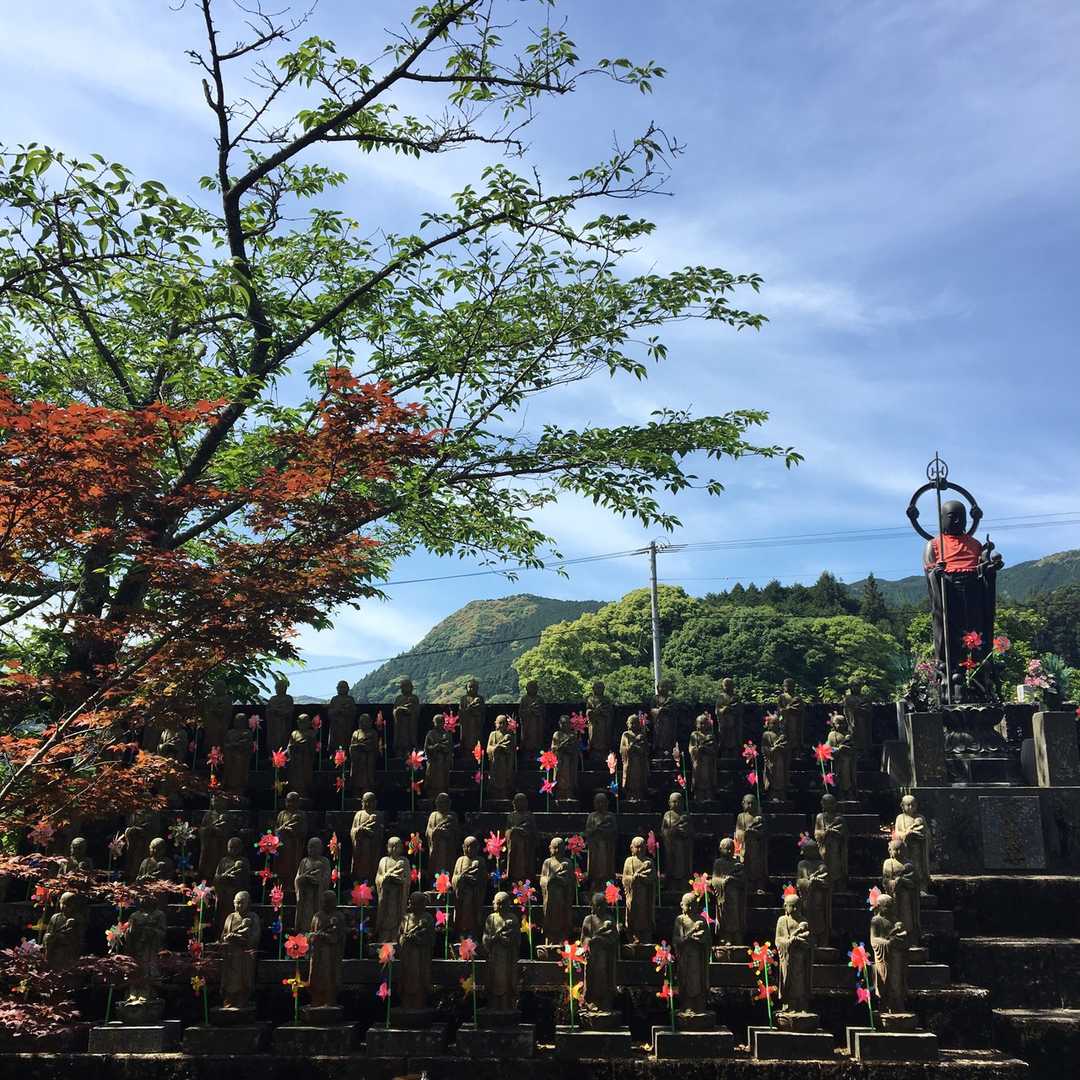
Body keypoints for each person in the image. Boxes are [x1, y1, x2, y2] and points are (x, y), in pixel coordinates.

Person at [219, 891, 260, 1010]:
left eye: (242, 903)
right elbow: (223, 936)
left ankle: (242, 999)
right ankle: (229, 999)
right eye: (236, 902)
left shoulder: (253, 917)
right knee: (229, 980)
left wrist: (242, 939)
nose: (239, 905)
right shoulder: (230, 917)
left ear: (248, 903)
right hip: (231, 954)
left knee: (243, 979)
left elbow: (256, 937)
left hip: (244, 955)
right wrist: (227, 938)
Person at [673, 892, 711, 1014]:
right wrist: (689, 937)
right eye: (687, 905)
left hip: (697, 956)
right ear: (681, 905)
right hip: (684, 956)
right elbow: (676, 939)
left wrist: (701, 940)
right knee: (685, 980)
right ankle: (687, 1005)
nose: (690, 908)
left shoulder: (701, 920)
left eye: (693, 905)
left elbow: (707, 940)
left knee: (697, 980)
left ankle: (699, 1005)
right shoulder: (680, 920)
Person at [580, 892, 619, 1012]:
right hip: (592, 954)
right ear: (593, 906)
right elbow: (584, 937)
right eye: (598, 905)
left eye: (603, 905)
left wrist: (602, 940)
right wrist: (588, 944)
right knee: (592, 977)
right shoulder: (589, 919)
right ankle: (592, 1000)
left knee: (603, 975)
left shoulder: (609, 919)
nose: (601, 908)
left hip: (605, 954)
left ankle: (605, 1001)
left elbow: (614, 937)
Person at [483, 892, 521, 1012]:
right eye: (497, 903)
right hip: (494, 955)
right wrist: (494, 938)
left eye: (501, 903)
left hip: (507, 956)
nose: (498, 906)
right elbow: (485, 937)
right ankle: (493, 1005)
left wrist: (507, 940)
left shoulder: (512, 919)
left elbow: (516, 939)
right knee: (493, 980)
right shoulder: (491, 918)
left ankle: (506, 1005)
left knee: (506, 980)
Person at [775, 893, 813, 1015]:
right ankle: (790, 1004)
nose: (795, 909)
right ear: (785, 906)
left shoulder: (803, 921)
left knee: (801, 981)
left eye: (798, 906)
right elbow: (778, 940)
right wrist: (790, 942)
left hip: (801, 958)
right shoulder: (782, 921)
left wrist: (804, 944)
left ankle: (801, 1004)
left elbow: (810, 941)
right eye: (792, 906)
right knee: (789, 981)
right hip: (788, 957)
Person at [397, 891, 435, 1011]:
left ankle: (418, 1004)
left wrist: (417, 939)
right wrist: (404, 939)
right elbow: (400, 935)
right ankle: (406, 1003)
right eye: (410, 903)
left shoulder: (427, 918)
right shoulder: (406, 918)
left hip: (420, 956)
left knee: (418, 979)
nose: (410, 905)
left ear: (422, 904)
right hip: (407, 955)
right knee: (406, 980)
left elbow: (431, 939)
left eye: (414, 903)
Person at [375, 836, 410, 943]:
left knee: (397, 917)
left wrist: (401, 881)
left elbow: (407, 879)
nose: (394, 849)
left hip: (398, 895)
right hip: (386, 895)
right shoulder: (383, 861)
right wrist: (384, 879)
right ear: (387, 847)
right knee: (386, 917)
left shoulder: (404, 861)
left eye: (397, 846)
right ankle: (384, 936)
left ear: (402, 848)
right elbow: (378, 878)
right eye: (391, 846)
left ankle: (396, 936)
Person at [540, 838, 574, 945]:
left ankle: (562, 939)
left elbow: (571, 881)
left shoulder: (568, 863)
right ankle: (549, 938)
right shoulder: (547, 862)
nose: (557, 850)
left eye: (560, 848)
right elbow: (542, 879)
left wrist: (560, 880)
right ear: (550, 848)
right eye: (554, 848)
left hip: (562, 897)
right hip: (550, 897)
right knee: (550, 918)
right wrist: (549, 880)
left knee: (562, 917)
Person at [622, 835, 656, 943]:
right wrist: (632, 878)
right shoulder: (629, 861)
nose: (640, 849)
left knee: (644, 915)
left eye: (642, 847)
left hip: (644, 894)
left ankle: (644, 935)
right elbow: (624, 878)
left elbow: (653, 878)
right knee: (632, 913)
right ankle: (633, 935)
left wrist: (642, 878)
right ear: (631, 848)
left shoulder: (649, 861)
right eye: (637, 847)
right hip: (632, 893)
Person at [584, 791, 617, 892]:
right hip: (595, 847)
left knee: (606, 867)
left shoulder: (610, 816)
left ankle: (606, 885)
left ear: (607, 803)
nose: (600, 804)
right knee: (595, 867)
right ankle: (595, 884)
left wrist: (603, 830)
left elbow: (614, 831)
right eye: (598, 802)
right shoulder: (591, 816)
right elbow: (588, 831)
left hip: (606, 846)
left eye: (602, 802)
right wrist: (596, 828)